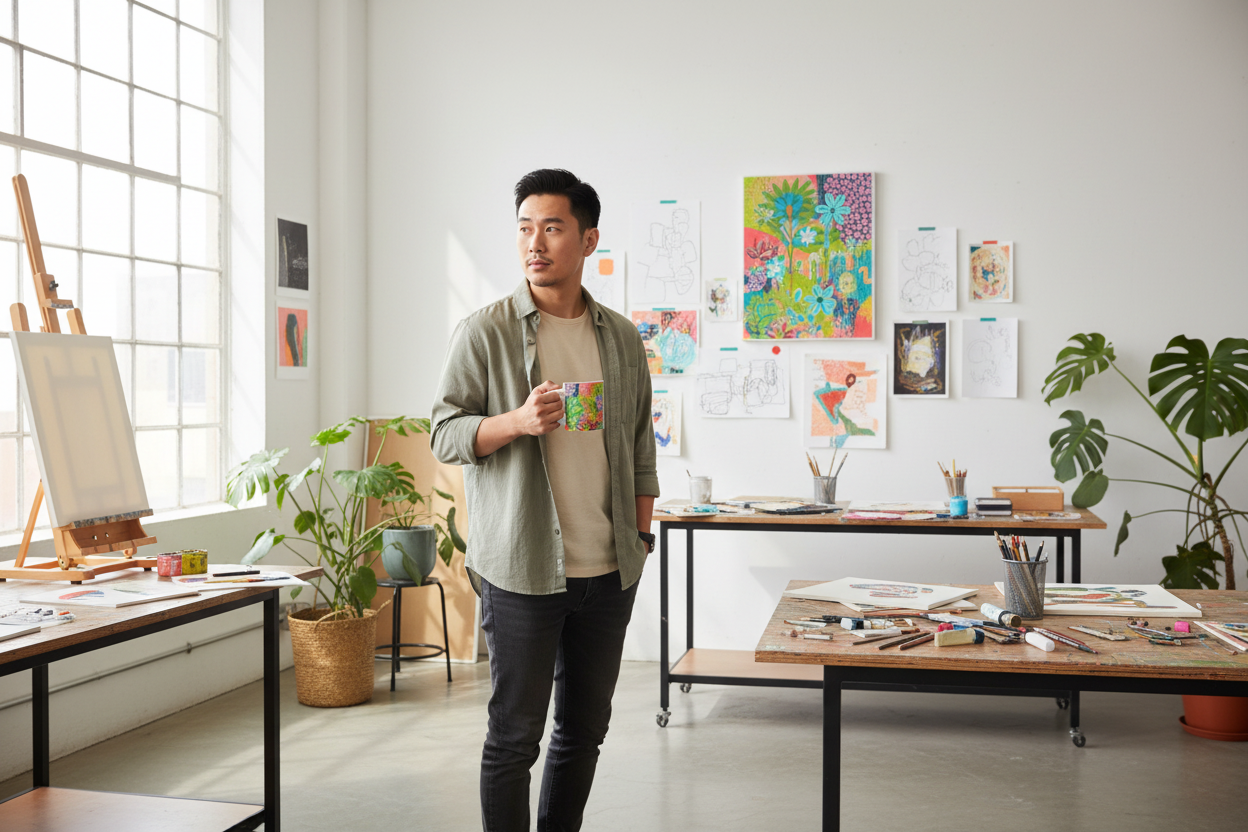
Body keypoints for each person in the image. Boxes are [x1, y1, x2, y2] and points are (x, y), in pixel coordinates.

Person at [430, 168, 659, 831]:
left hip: (609, 569)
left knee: (584, 731)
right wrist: (516, 423)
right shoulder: (486, 332)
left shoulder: (619, 337)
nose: (536, 243)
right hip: (523, 569)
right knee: (514, 739)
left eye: (552, 228)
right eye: (525, 228)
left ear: (588, 240)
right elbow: (444, 435)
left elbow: (640, 445)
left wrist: (638, 541)